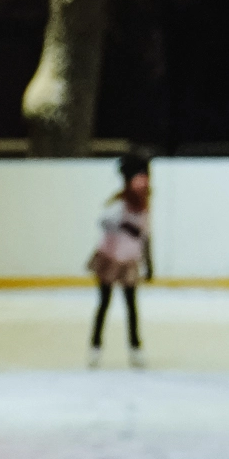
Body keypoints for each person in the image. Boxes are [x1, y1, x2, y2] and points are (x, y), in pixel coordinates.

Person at [88, 155, 153, 369]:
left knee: (131, 306)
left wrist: (149, 262)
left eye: (145, 177)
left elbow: (145, 234)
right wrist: (123, 226)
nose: (143, 181)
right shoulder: (120, 202)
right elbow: (104, 221)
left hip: (129, 261)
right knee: (104, 303)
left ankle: (135, 349)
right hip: (111, 258)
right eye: (139, 177)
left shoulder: (144, 204)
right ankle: (95, 348)